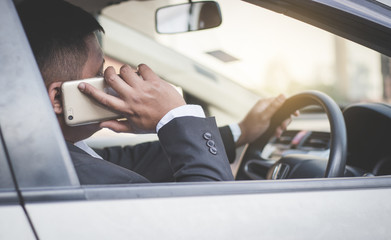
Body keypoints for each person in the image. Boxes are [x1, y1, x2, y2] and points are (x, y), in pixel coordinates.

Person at [17, 0, 290, 184]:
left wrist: (242, 130)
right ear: (58, 98)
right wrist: (175, 114)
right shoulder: (90, 178)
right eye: (101, 74)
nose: (113, 83)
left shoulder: (46, 156)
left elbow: (134, 161)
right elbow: (212, 214)